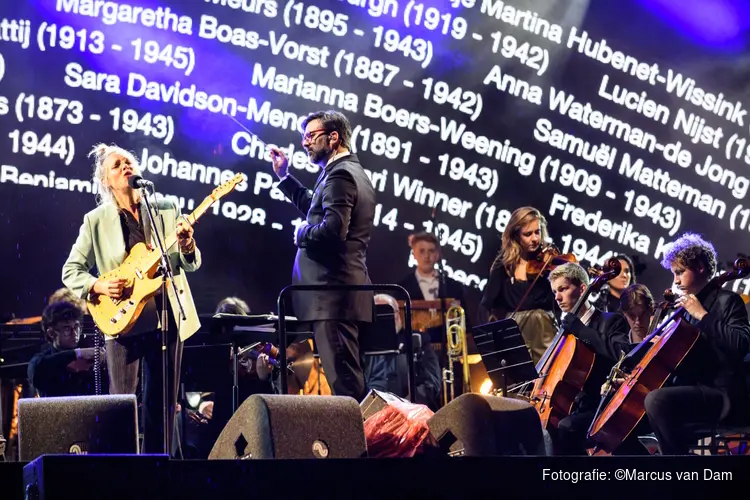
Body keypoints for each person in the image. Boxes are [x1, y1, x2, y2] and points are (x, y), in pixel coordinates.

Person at [61, 143, 202, 454]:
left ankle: (158, 472)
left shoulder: (165, 209)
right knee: (121, 402)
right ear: (106, 181)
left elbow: (188, 264)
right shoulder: (96, 220)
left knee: (162, 404)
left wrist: (188, 244)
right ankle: (121, 473)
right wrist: (98, 286)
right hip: (123, 319)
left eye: (129, 162)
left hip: (167, 315)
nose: (125, 167)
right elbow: (71, 271)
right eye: (116, 165)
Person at [269, 110, 376, 402]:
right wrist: (284, 177)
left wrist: (301, 234)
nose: (305, 143)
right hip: (337, 295)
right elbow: (316, 208)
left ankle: (357, 447)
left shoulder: (340, 174)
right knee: (346, 381)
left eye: (311, 136)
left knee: (346, 387)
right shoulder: (343, 171)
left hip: (333, 295)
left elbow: (333, 230)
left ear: (333, 137)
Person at [643, 233, 750, 455]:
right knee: (639, 403)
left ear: (700, 268)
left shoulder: (727, 301)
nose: (676, 281)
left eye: (680, 272)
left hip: (723, 395)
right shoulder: (685, 311)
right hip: (695, 389)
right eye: (674, 273)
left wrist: (703, 316)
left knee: (656, 401)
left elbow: (741, 345)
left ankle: (680, 472)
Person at [544, 263, 643, 455]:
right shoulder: (565, 331)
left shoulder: (610, 321)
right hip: (575, 405)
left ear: (582, 289)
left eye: (563, 289)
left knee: (566, 428)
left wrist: (581, 330)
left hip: (603, 404)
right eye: (555, 291)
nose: (557, 297)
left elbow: (622, 354)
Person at [479, 207, 557, 365]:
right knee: (518, 379)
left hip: (544, 327)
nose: (535, 238)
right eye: (528, 234)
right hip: (515, 329)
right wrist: (487, 339)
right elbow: (486, 303)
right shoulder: (504, 265)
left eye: (537, 232)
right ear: (515, 235)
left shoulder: (549, 259)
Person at [363, 294, 443, 411]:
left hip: (411, 413)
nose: (383, 320)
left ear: (398, 314)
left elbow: (432, 383)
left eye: (388, 312)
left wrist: (404, 407)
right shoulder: (362, 347)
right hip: (372, 414)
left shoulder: (417, 341)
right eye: (377, 314)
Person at [28, 301, 106, 397]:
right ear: (51, 333)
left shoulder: (89, 357)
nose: (75, 333)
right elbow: (35, 370)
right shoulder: (43, 360)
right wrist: (77, 353)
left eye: (76, 327)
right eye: (67, 329)